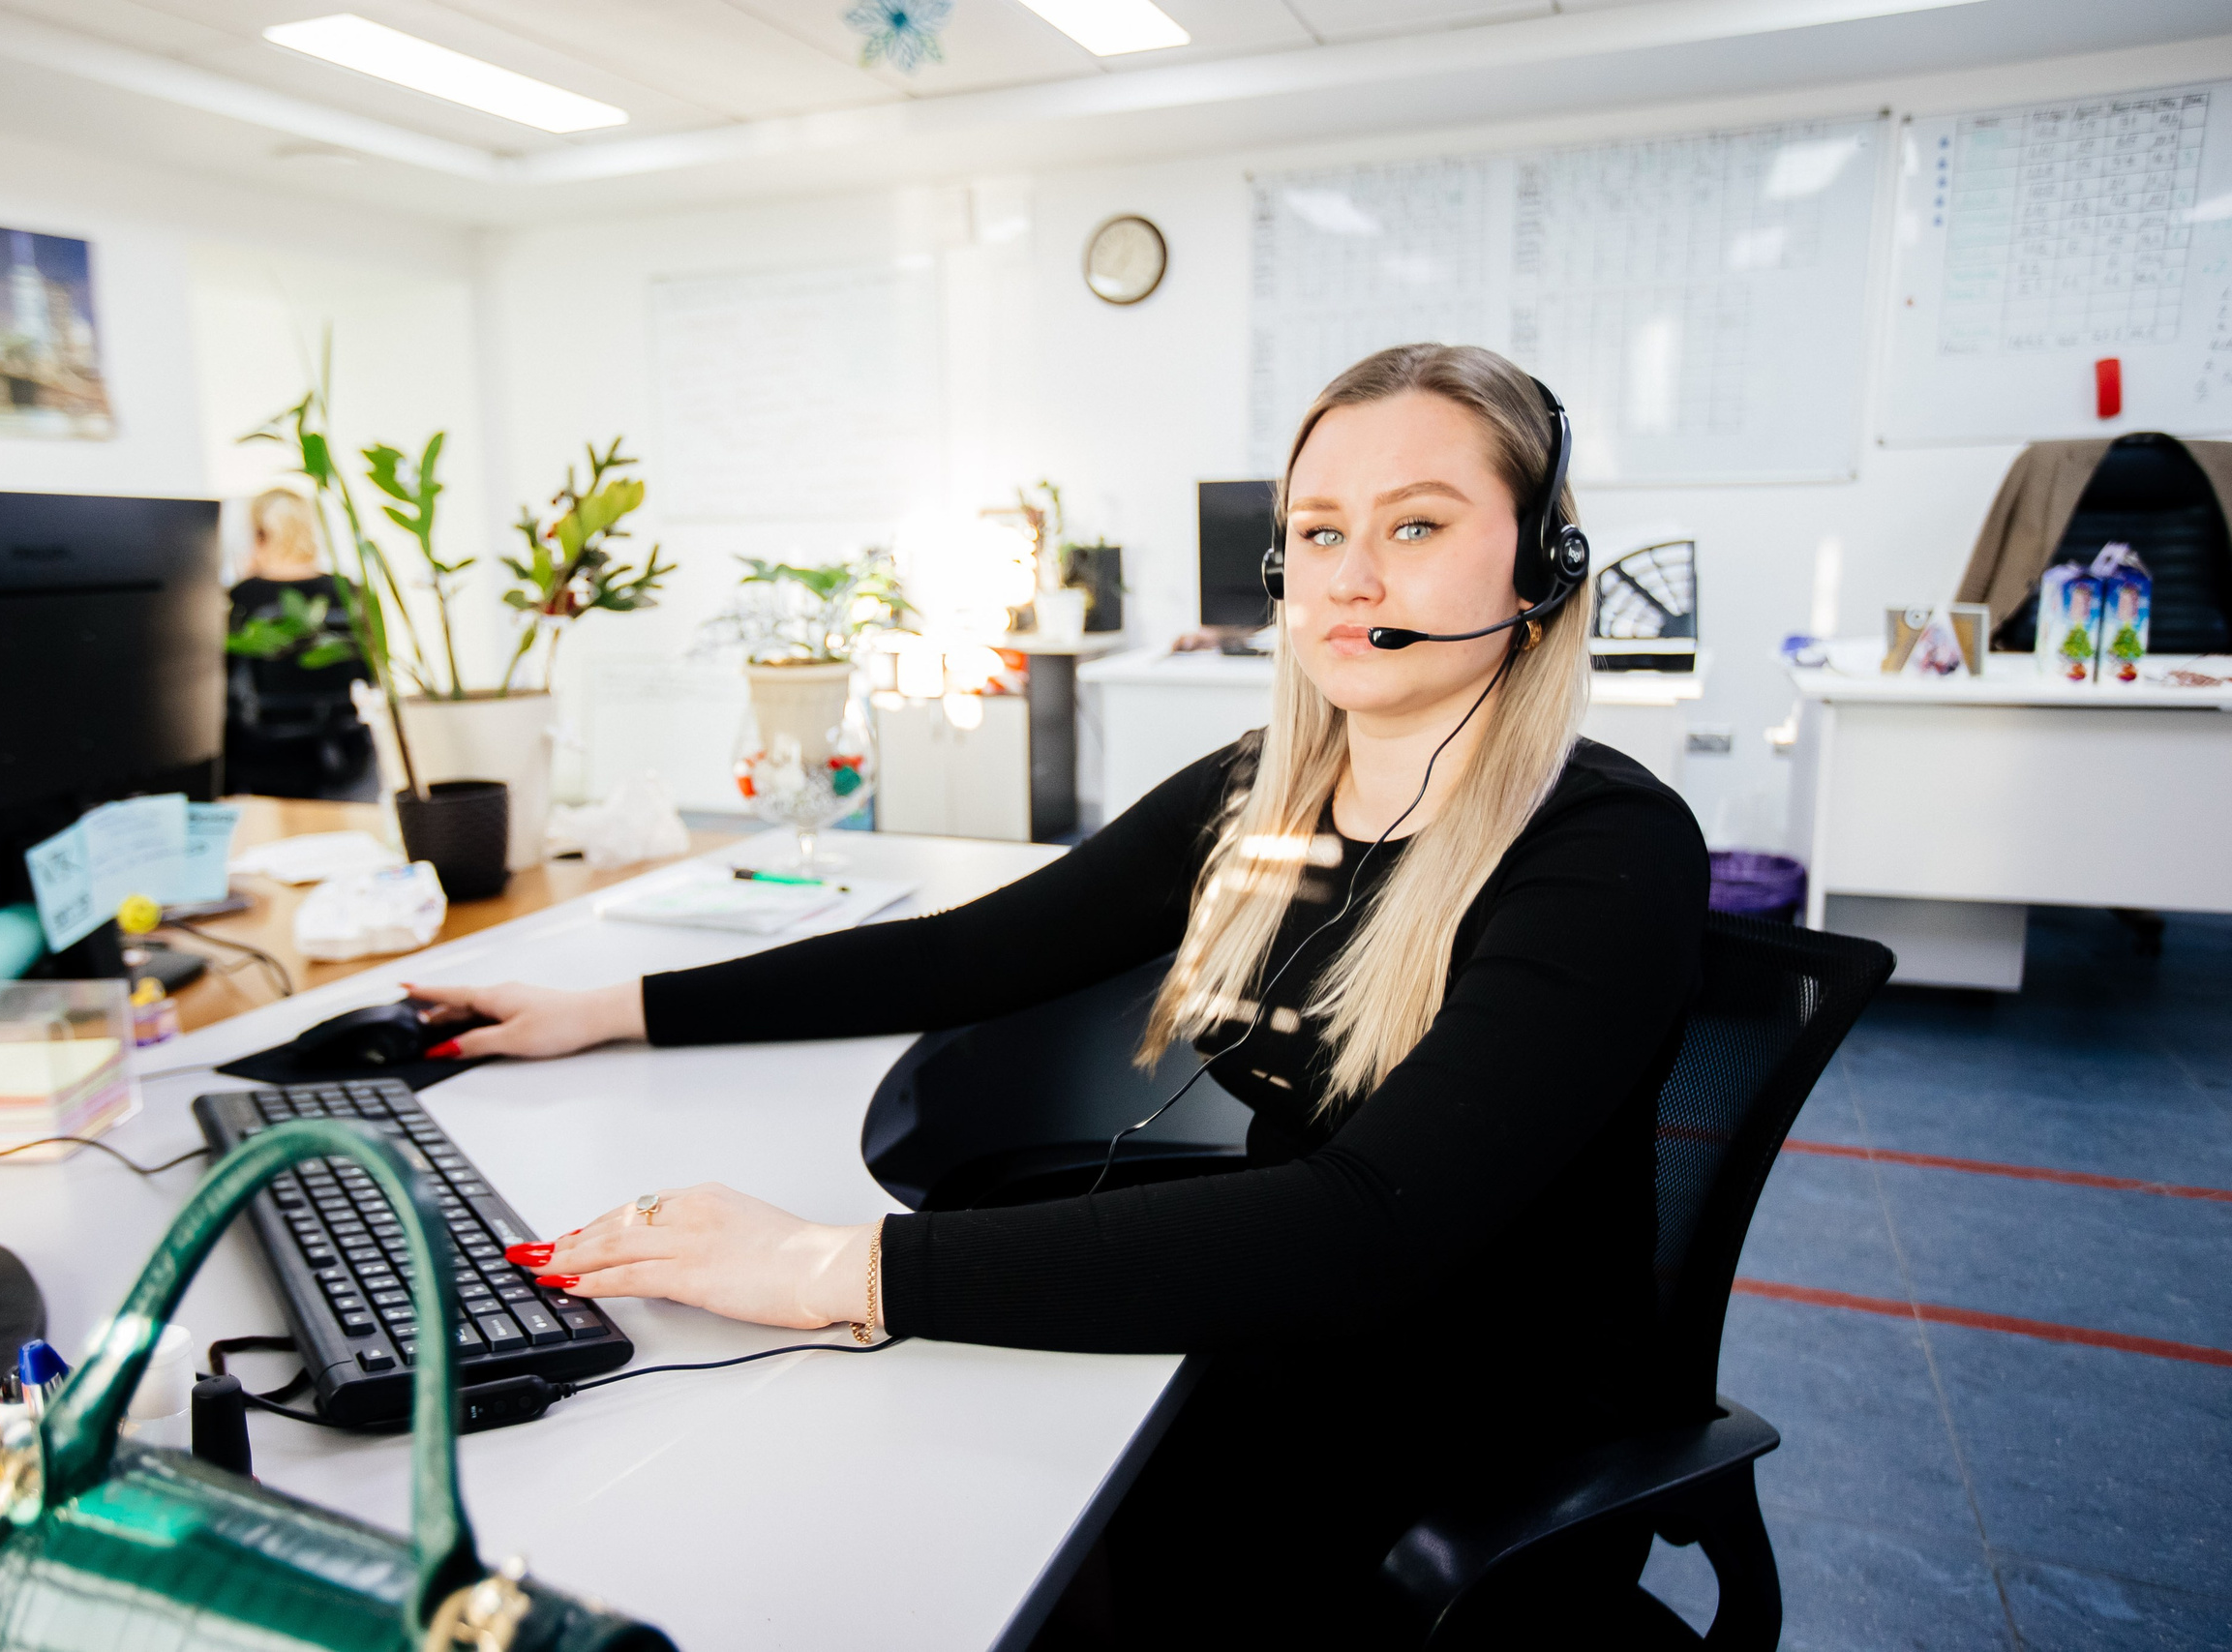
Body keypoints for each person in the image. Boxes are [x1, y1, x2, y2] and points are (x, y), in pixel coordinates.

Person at [410, 345, 1708, 1642]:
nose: (1351, 577)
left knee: (923, 1511)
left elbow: (1365, 1226)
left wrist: (829, 1261)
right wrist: (608, 1004)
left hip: (1464, 1443)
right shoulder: (1265, 789)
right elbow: (969, 951)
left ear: (1541, 566)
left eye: (1415, 524)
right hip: (1277, 1336)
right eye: (1318, 532)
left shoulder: (1607, 850)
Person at [224, 488, 376, 800]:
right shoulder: (350, 592)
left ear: (258, 533)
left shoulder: (243, 598)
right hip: (343, 757)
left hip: (262, 765)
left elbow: (221, 683)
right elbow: (368, 673)